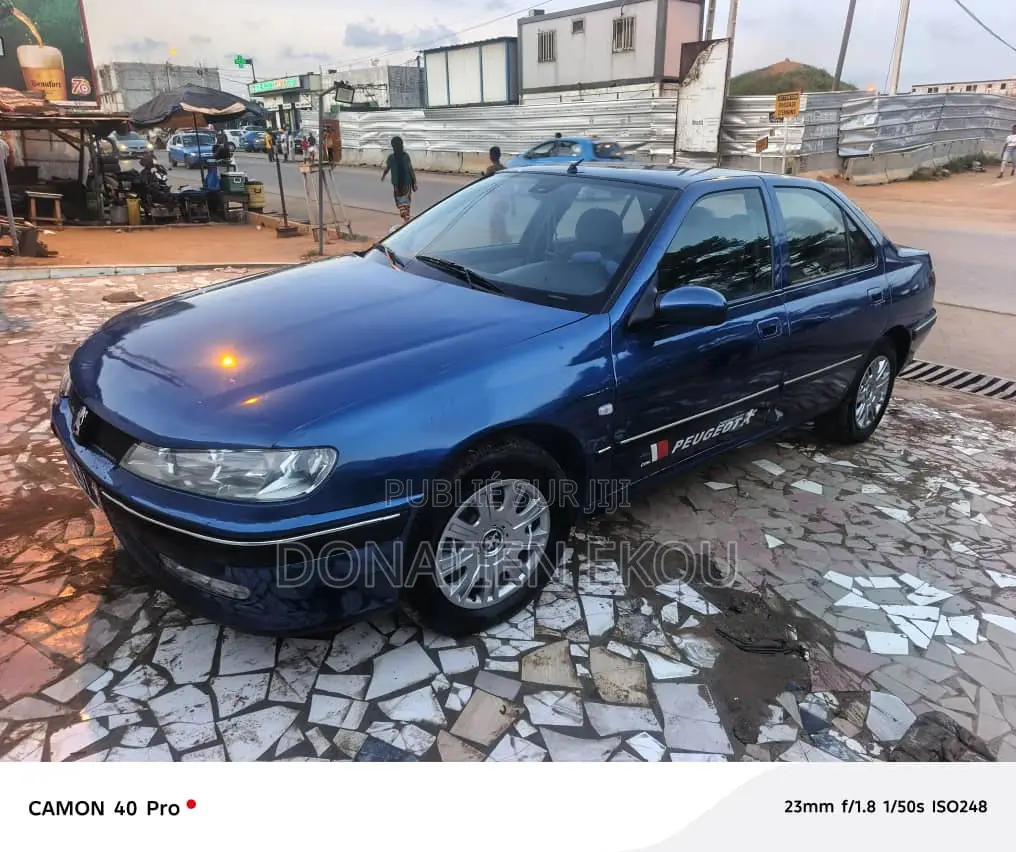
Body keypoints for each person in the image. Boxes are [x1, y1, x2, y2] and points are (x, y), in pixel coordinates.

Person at [381, 136, 417, 223]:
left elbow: (387, 168)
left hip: (397, 184)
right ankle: (406, 217)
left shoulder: (391, 158)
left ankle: (405, 217)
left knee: (400, 201)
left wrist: (383, 175)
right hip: (407, 183)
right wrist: (414, 182)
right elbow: (411, 170)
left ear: (393, 146)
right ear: (402, 145)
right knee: (406, 201)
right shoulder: (406, 156)